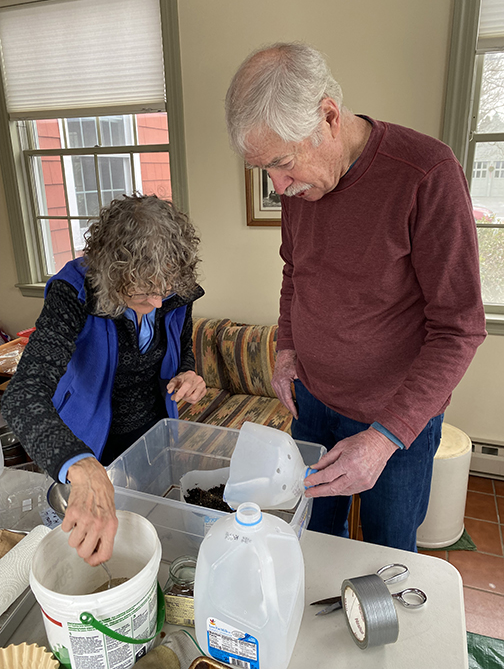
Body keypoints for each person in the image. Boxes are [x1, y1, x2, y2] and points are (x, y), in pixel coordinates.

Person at [225, 42, 487, 551]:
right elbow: (295, 270)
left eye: (282, 163)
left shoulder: (426, 174)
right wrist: (286, 350)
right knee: (318, 540)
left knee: (389, 553)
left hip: (393, 419)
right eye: (265, 171)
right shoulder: (303, 187)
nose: (278, 186)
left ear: (328, 117)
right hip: (314, 402)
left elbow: (459, 328)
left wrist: (384, 437)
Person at [2, 193, 206, 564]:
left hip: (153, 438)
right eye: (144, 292)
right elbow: (21, 396)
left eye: (166, 289)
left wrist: (188, 371)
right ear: (112, 276)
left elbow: (181, 340)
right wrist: (79, 464)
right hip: (87, 443)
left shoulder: (172, 289)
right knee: (89, 554)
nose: (160, 303)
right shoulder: (73, 295)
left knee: (150, 544)